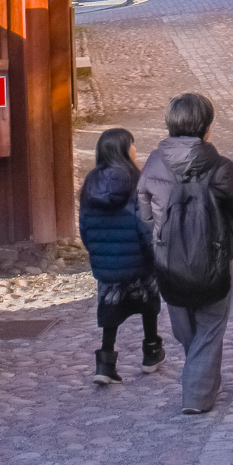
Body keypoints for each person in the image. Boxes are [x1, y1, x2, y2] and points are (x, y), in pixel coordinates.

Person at [139, 92, 233, 415]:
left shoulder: (152, 163)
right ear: (207, 128)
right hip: (213, 260)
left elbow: (145, 214)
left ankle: (200, 375)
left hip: (168, 261)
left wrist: (165, 234)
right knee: (211, 325)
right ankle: (198, 394)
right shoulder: (221, 167)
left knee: (185, 327)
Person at [76, 127, 165, 384]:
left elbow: (84, 226)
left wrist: (96, 253)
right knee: (149, 304)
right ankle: (151, 352)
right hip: (138, 262)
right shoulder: (135, 181)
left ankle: (105, 364)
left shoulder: (91, 184)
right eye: (133, 145)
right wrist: (153, 254)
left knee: (110, 312)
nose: (136, 149)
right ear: (124, 150)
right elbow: (144, 224)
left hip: (107, 265)